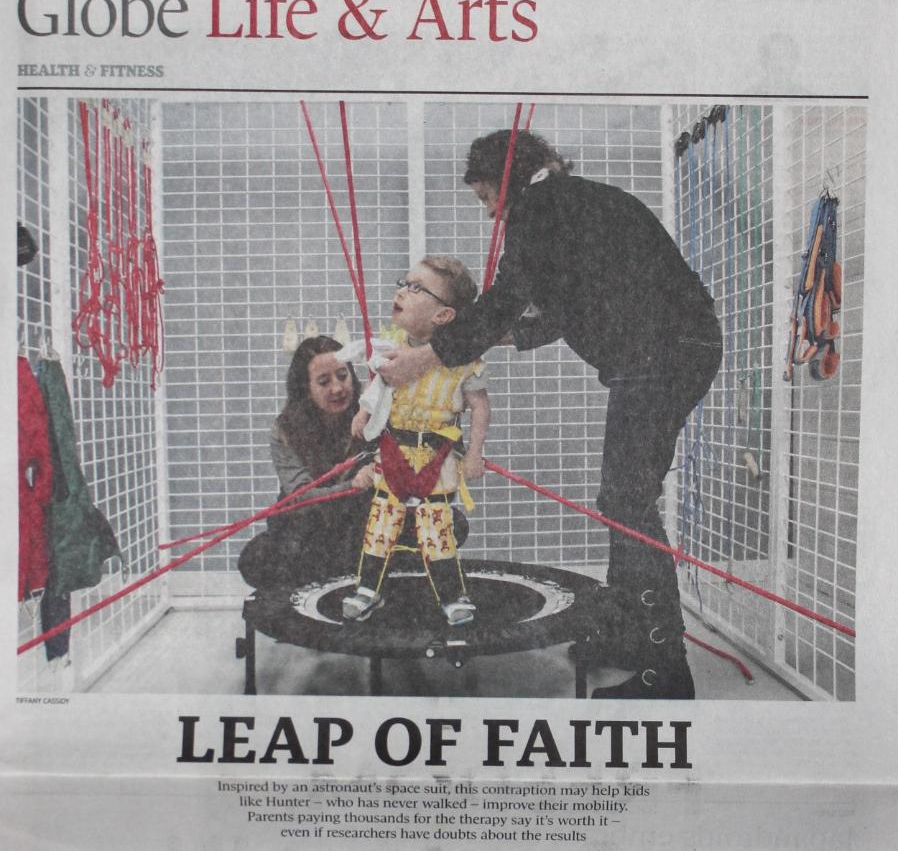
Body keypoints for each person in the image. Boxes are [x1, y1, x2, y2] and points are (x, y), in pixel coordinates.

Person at [379, 130, 722, 699]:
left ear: (509, 179)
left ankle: (666, 670)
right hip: (678, 349)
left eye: (488, 197)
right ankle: (630, 636)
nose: (491, 214)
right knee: (625, 498)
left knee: (626, 500)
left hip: (660, 357)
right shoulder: (580, 202)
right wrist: (491, 340)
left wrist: (421, 359)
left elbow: (505, 299)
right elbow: (562, 307)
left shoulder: (539, 206)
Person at [341, 256, 491, 626]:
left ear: (443, 316)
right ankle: (367, 590)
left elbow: (480, 407)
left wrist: (474, 454)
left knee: (435, 528)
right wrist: (362, 413)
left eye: (415, 288)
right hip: (392, 450)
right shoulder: (388, 344)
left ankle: (453, 598)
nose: (401, 291)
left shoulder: (463, 360)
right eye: (403, 283)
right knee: (381, 523)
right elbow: (376, 387)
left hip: (436, 458)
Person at [238, 335, 376, 590]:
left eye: (342, 376)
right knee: (255, 558)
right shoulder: (285, 429)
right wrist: (355, 485)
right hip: (308, 530)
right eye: (324, 381)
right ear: (305, 388)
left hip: (358, 527)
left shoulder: (372, 417)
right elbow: (302, 498)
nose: (337, 388)